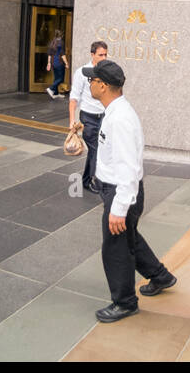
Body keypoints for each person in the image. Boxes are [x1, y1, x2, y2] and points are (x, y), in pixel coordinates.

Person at [90, 59, 177, 323]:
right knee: (129, 239)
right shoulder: (115, 112)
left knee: (115, 249)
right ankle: (160, 276)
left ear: (103, 86)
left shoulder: (121, 119)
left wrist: (118, 208)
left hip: (121, 192)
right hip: (118, 190)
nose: (89, 84)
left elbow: (128, 168)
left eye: (92, 80)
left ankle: (125, 302)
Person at [68, 39, 109, 195]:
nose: (104, 58)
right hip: (88, 117)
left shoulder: (106, 71)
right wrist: (72, 120)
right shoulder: (82, 72)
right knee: (95, 149)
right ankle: (94, 181)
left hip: (104, 116)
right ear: (92, 55)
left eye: (105, 54)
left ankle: (86, 180)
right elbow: (74, 98)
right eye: (100, 55)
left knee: (97, 150)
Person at [46, 29, 68, 98]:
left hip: (53, 63)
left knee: (56, 78)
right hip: (59, 63)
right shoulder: (60, 43)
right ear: (61, 35)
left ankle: (55, 93)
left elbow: (49, 54)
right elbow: (62, 54)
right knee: (61, 79)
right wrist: (66, 63)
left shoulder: (52, 42)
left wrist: (49, 63)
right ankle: (51, 88)